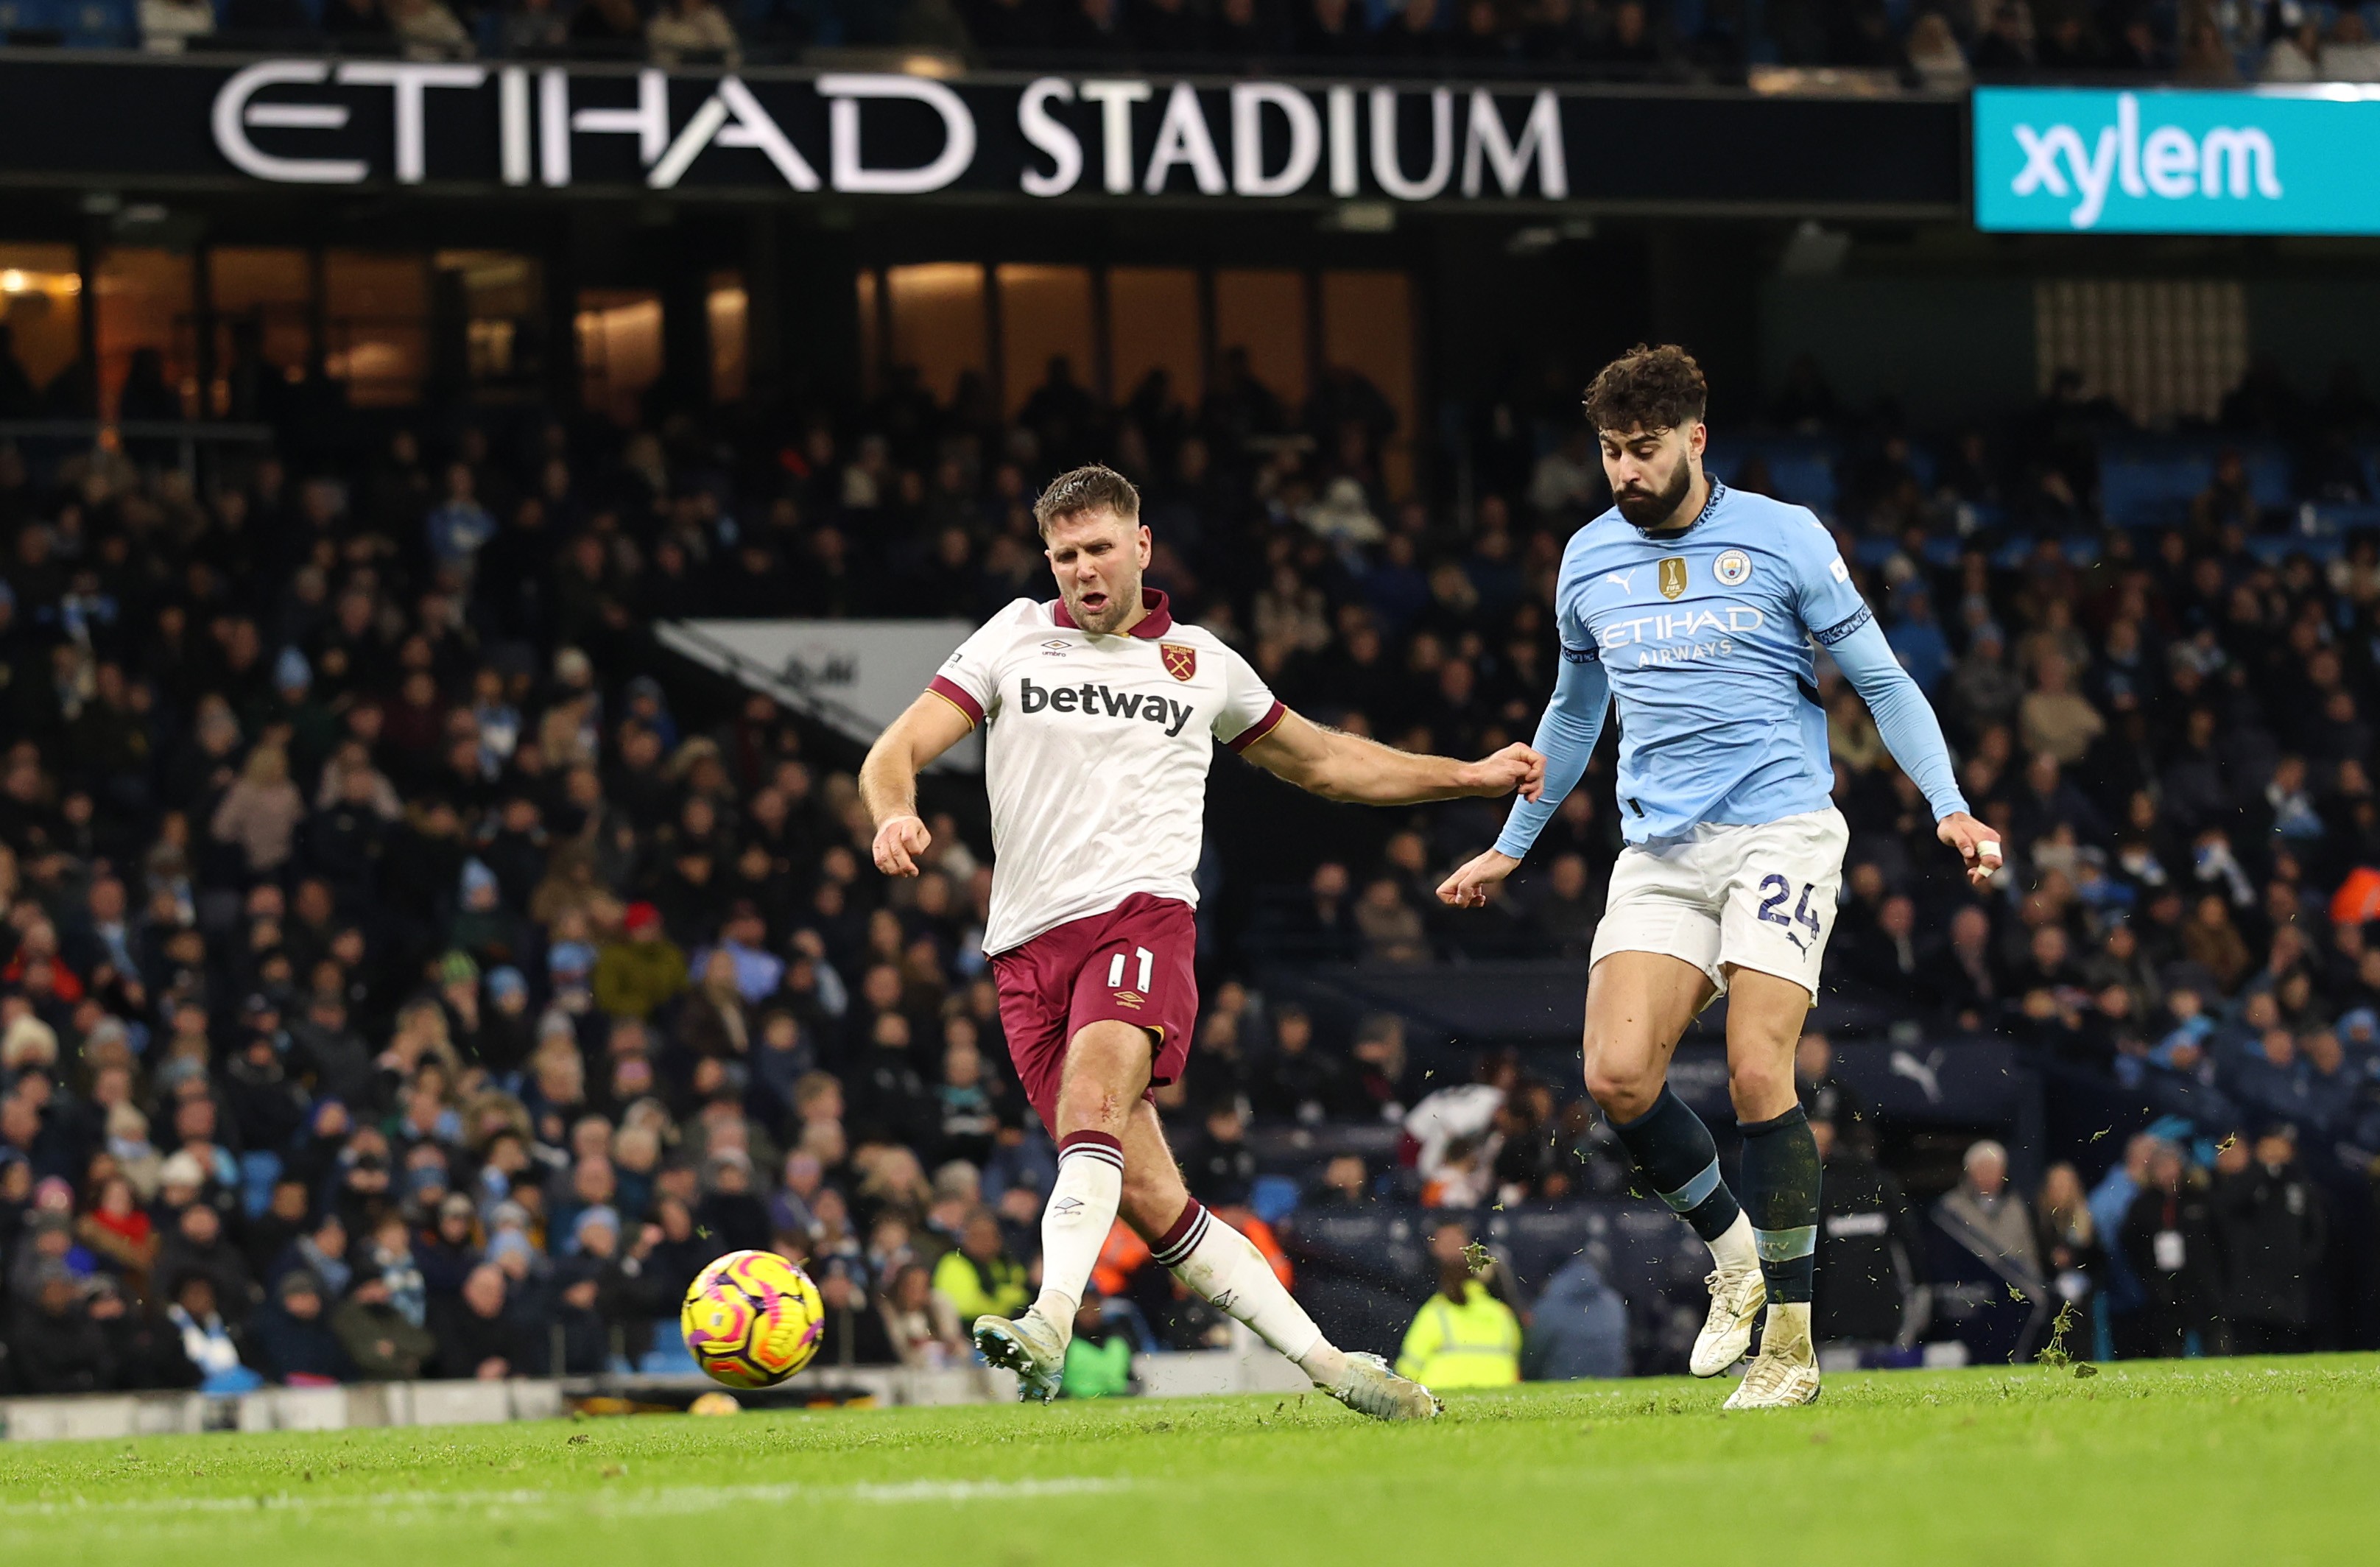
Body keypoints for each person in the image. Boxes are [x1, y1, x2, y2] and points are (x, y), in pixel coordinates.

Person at [860, 462, 1543, 1418]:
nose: (1084, 572)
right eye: (1065, 556)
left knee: (1095, 1092)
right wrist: (893, 814)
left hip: (1140, 922)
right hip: (1026, 953)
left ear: (1141, 546)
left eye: (1100, 549)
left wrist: (1465, 778)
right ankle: (1338, 1368)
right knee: (1152, 1200)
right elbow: (892, 751)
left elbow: (1328, 761)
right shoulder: (1013, 638)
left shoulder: (1198, 662)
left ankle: (1049, 1319)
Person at [1437, 344, 1998, 1409]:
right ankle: (1735, 1256)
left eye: (1643, 451)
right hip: (1659, 852)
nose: (1624, 473)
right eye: (1610, 453)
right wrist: (1511, 845)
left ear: (1696, 440)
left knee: (1755, 1070)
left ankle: (1789, 1346)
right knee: (1615, 1078)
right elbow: (1572, 713)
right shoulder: (1588, 559)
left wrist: (1950, 806)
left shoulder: (1786, 538)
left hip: (1779, 834)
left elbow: (1879, 678)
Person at [1394, 1222, 1522, 1389]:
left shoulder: (1435, 1312)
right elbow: (1517, 1352)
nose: (1453, 1249)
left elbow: (1407, 1369)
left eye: (1457, 1241)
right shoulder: (1501, 1313)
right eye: (1446, 1242)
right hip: (1501, 1389)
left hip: (1440, 1390)